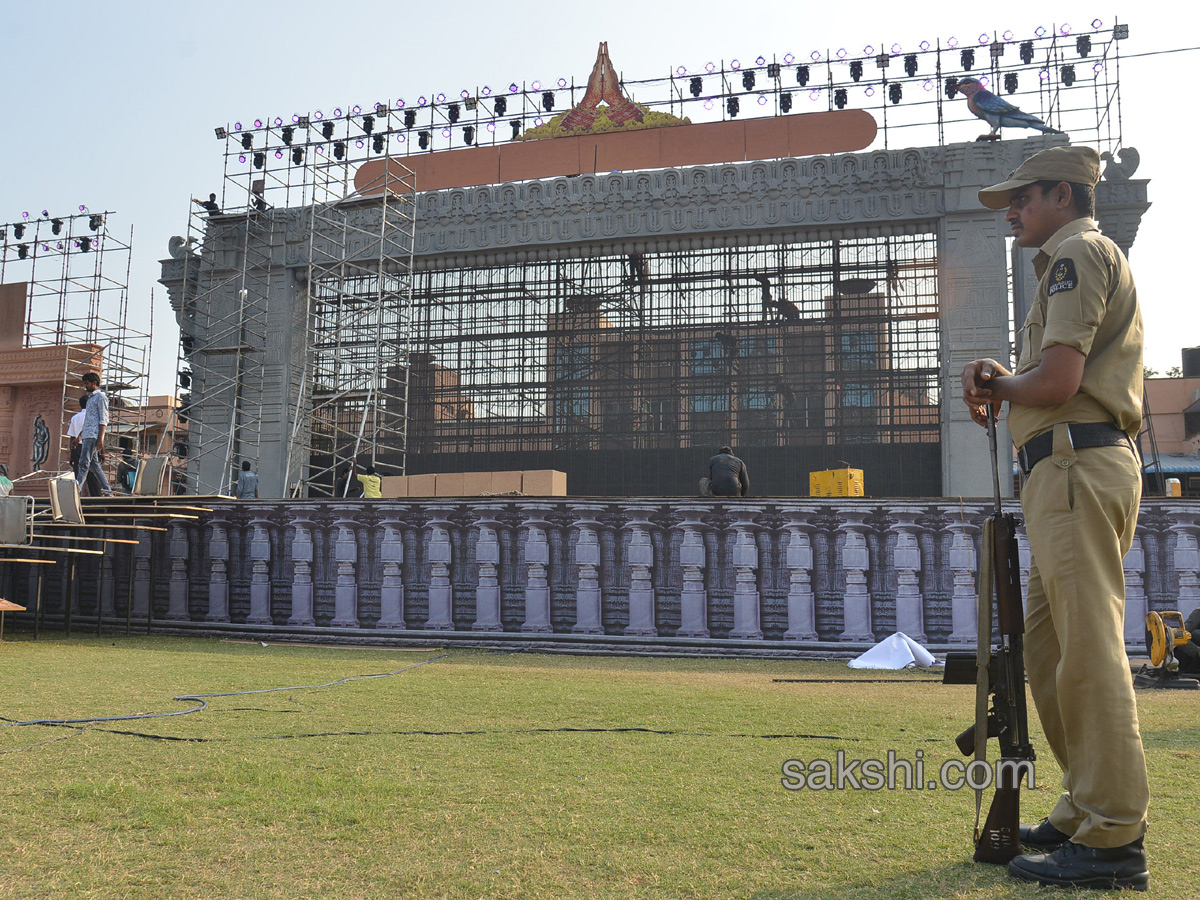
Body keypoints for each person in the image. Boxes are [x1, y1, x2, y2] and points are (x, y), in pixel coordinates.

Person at [961, 145, 1149, 891]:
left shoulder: (1077, 255)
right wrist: (1004, 381)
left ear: (1062, 196)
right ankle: (1083, 810)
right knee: (1047, 652)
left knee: (1087, 651)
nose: (1012, 211)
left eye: (1022, 198)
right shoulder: (1067, 261)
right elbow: (1046, 377)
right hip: (1061, 470)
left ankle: (1112, 836)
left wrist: (1002, 384)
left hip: (1076, 464)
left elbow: (1061, 379)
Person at [75, 372, 113, 497]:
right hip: (87, 434)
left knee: (83, 463)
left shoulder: (101, 397)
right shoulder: (91, 398)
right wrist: (80, 435)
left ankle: (77, 489)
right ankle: (108, 491)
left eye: (86, 384)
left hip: (93, 434)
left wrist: (101, 437)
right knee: (94, 465)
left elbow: (104, 418)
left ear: (94, 383)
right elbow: (88, 419)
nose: (85, 386)